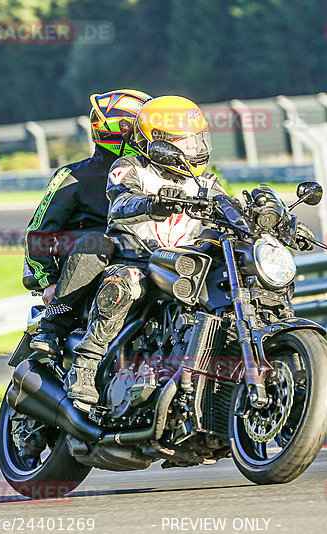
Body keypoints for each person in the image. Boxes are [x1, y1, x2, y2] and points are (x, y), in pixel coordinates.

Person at [64, 95, 227, 405]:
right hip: (136, 260)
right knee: (124, 286)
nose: (191, 149)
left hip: (184, 265)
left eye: (195, 141)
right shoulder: (130, 168)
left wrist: (271, 218)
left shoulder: (206, 182)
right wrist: (152, 203)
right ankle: (84, 365)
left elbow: (230, 210)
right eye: (182, 142)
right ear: (159, 144)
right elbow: (122, 199)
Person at [26, 89, 152, 356]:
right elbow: (38, 231)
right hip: (95, 262)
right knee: (97, 241)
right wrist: (48, 281)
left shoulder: (155, 172)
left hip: (149, 255)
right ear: (118, 132)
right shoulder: (72, 176)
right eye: (142, 128)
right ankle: (53, 325)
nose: (150, 136)